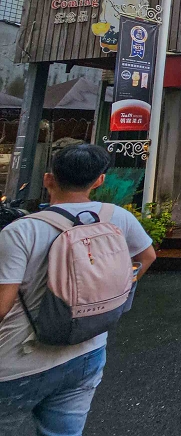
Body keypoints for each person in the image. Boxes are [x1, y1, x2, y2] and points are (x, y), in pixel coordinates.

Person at [0, 144, 156, 436]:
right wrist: (119, 288)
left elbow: (2, 305)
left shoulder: (21, 231)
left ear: (49, 179)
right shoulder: (118, 217)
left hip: (16, 360)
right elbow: (147, 257)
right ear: (99, 181)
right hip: (88, 348)